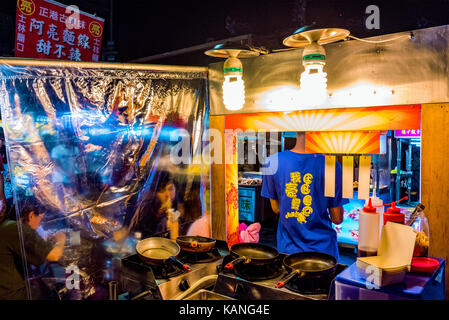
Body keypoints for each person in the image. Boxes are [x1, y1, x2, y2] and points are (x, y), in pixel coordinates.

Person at [261, 132, 348, 260]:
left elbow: (277, 209)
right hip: (323, 254)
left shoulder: (272, 162)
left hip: (288, 251)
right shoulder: (331, 166)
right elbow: (337, 218)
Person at [0, 200, 66, 299]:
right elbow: (54, 255)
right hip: (12, 295)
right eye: (41, 218)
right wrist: (61, 240)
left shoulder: (6, 225)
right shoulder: (17, 229)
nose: (40, 224)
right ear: (31, 215)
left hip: (5, 290)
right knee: (55, 290)